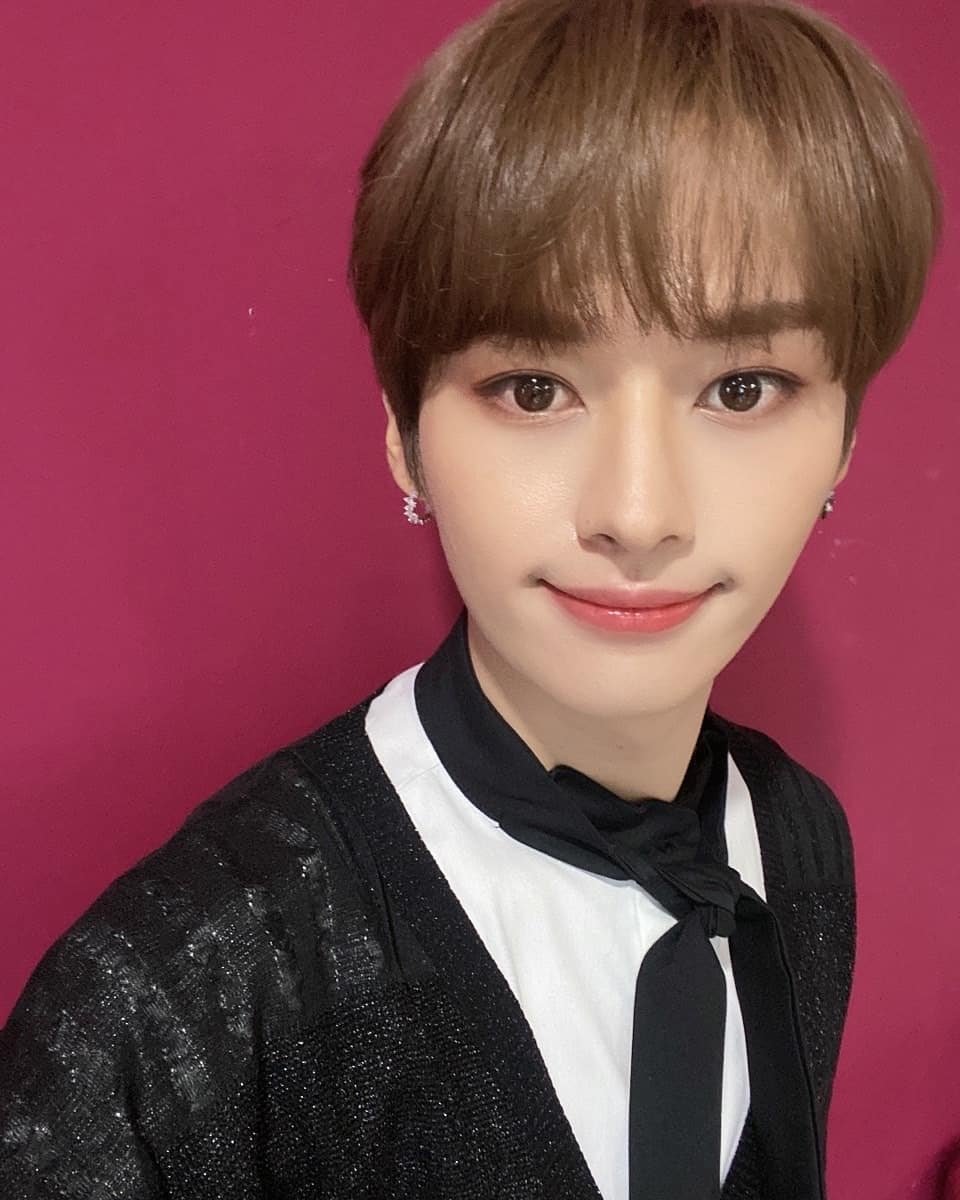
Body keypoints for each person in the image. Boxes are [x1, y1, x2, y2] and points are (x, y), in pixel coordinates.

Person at [0, 0, 941, 1197]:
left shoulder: (800, 844)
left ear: (846, 438)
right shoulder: (177, 1005)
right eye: (534, 387)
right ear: (405, 436)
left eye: (744, 387)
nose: (638, 512)